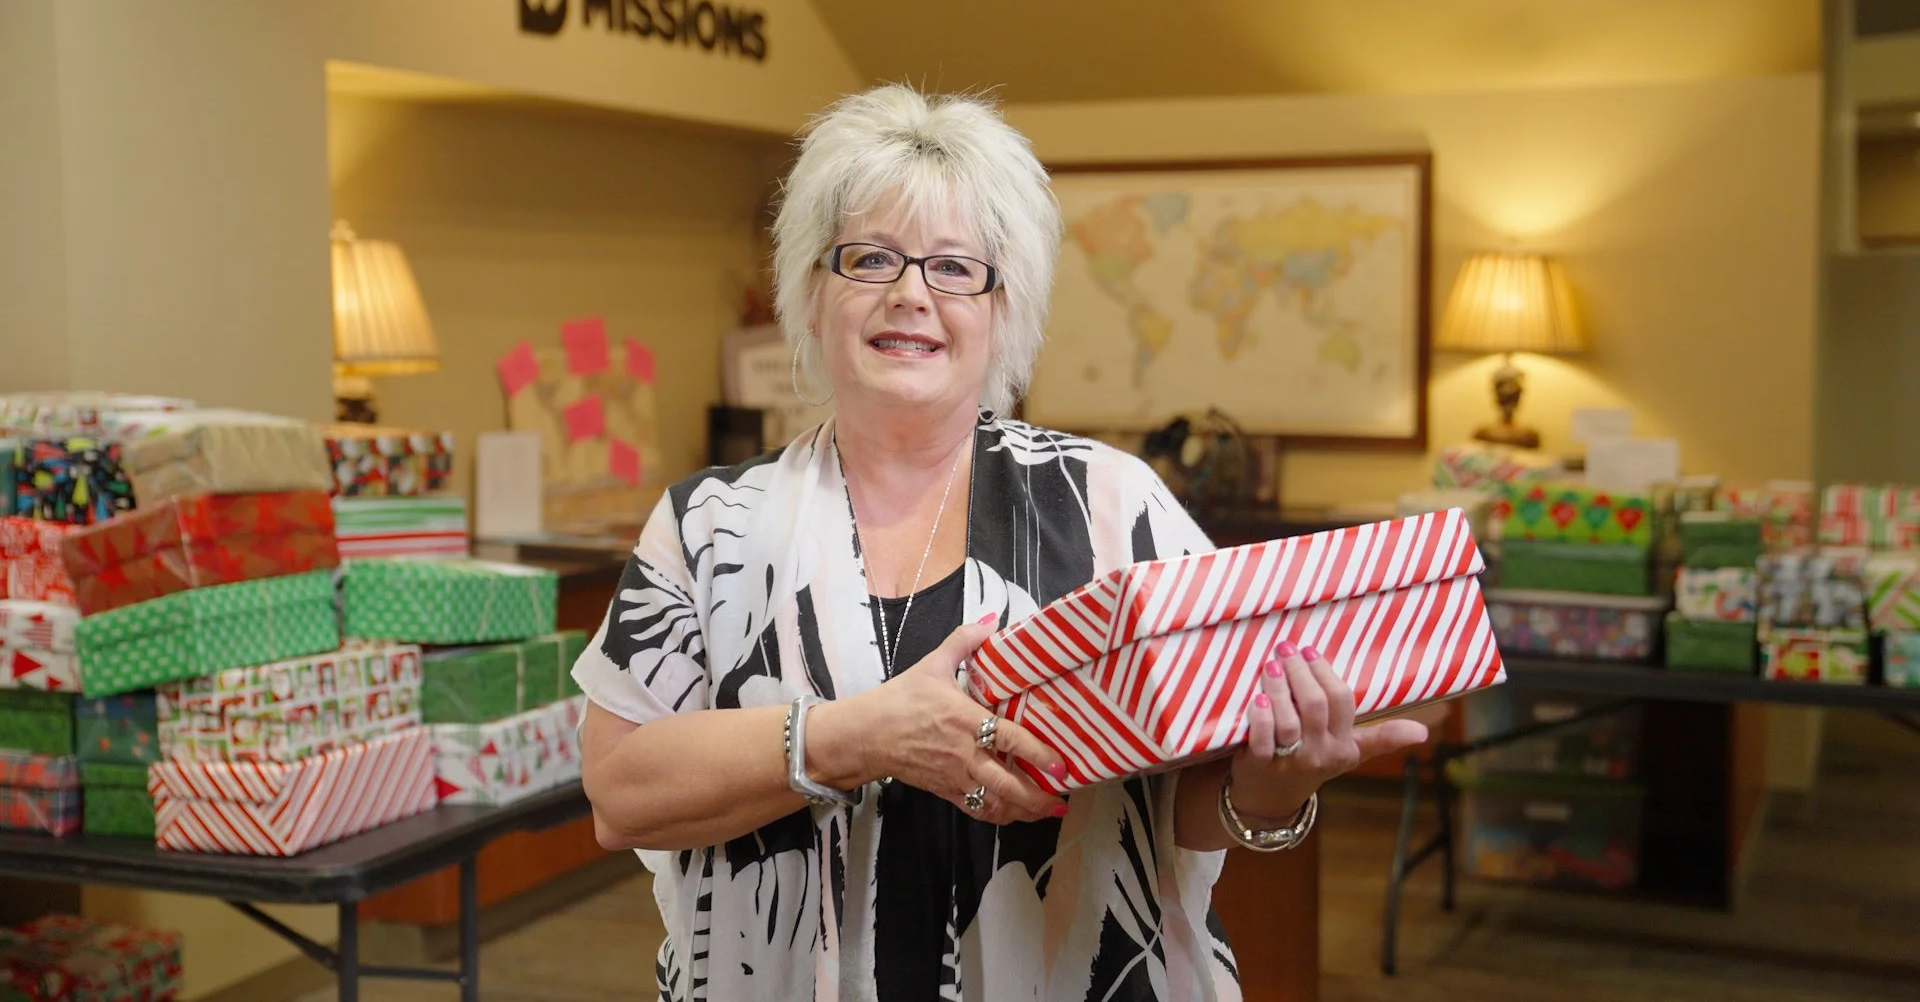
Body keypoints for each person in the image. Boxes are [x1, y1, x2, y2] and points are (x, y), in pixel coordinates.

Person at [573, 84, 1430, 1002]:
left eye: (954, 268)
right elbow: (620, 794)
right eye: (871, 258)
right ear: (813, 295)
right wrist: (864, 735)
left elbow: (1186, 804)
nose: (911, 295)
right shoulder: (709, 526)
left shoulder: (1111, 506)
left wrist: (1275, 787)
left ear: (1002, 310)